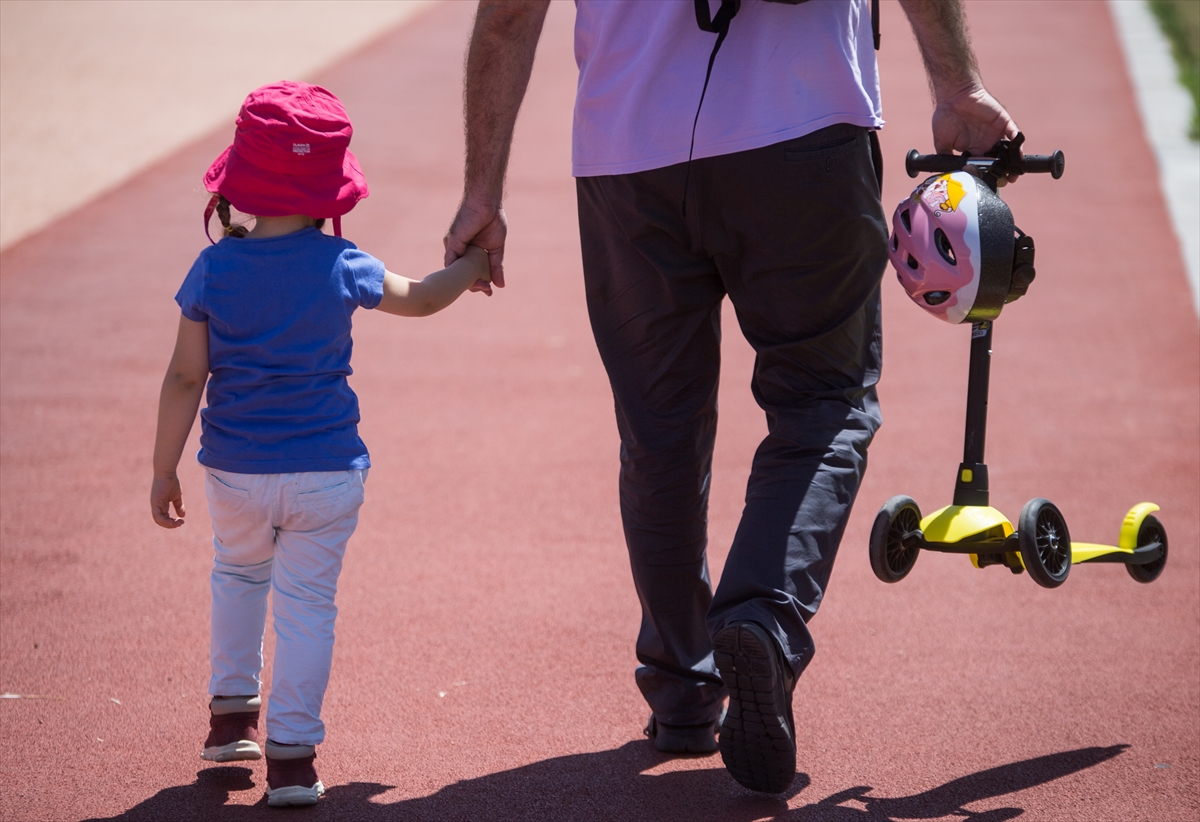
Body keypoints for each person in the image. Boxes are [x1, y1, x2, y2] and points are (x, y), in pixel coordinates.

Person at [444, 0, 1018, 795]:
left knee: (659, 431)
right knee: (826, 399)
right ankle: (762, 618)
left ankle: (683, 689)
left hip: (626, 152)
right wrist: (956, 85)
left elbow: (509, 15)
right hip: (805, 128)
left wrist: (482, 191)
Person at [150, 81, 490, 808]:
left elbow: (185, 375)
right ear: (330, 189)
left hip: (236, 470)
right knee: (307, 603)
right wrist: (471, 268)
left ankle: (231, 718)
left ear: (242, 182)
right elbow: (424, 296)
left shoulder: (214, 268)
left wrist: (161, 467)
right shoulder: (344, 265)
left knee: (238, 577)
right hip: (327, 472)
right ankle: (294, 758)